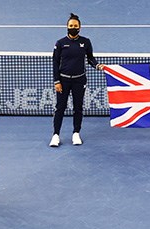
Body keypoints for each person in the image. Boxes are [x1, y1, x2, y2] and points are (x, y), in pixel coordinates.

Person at [51, 13, 104, 147]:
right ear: (67, 27)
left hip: (79, 81)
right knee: (60, 108)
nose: (73, 27)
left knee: (78, 108)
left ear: (79, 27)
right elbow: (55, 62)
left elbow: (90, 58)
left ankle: (76, 133)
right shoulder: (60, 43)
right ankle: (56, 135)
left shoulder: (85, 42)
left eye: (75, 26)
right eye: (70, 26)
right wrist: (57, 81)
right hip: (63, 81)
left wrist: (97, 65)